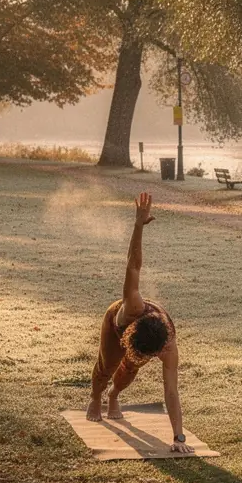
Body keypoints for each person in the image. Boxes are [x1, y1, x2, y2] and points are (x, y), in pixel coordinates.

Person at [87, 192, 191, 454]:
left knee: (128, 371)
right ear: (133, 331)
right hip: (114, 324)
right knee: (108, 365)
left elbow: (171, 392)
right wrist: (138, 226)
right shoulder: (133, 305)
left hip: (144, 339)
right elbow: (133, 265)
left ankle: (113, 396)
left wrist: (179, 438)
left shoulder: (168, 347)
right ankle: (96, 396)